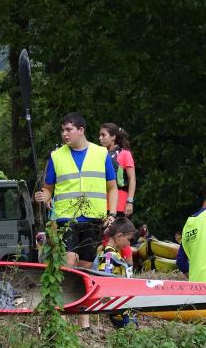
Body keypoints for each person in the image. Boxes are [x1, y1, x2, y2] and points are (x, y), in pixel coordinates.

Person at [34, 112, 118, 330]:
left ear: (81, 130)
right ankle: (61, 319)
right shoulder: (56, 156)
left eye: (68, 129)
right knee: (68, 264)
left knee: (86, 268)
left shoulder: (101, 154)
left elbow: (112, 187)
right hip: (64, 219)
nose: (64, 134)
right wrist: (45, 197)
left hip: (93, 220)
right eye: (62, 130)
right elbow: (48, 189)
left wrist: (113, 214)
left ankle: (84, 323)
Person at [93, 218, 137, 328]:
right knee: (127, 329)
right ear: (119, 235)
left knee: (129, 328)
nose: (128, 243)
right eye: (128, 239)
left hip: (120, 301)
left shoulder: (115, 252)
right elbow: (105, 278)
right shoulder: (109, 254)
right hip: (115, 303)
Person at [99, 123, 136, 218]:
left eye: (103, 135)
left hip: (120, 202)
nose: (100, 138)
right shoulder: (100, 154)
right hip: (101, 202)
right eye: (100, 135)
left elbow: (132, 179)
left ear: (113, 137)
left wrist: (130, 201)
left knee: (118, 232)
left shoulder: (124, 154)